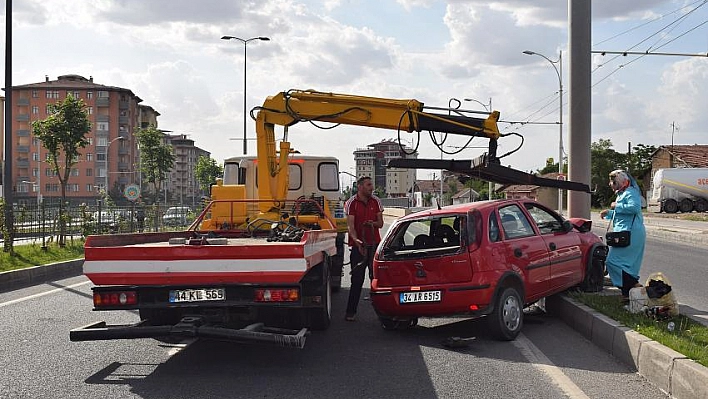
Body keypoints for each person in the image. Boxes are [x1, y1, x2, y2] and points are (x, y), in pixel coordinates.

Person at [600, 169, 646, 302]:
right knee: (624, 265)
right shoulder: (622, 193)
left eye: (613, 181)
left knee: (612, 262)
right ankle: (628, 294)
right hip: (624, 233)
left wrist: (616, 205)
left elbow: (635, 207)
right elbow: (622, 214)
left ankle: (633, 287)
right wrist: (609, 213)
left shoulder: (631, 192)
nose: (610, 184)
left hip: (630, 233)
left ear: (620, 181)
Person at [344, 176, 384, 321]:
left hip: (374, 246)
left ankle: (383, 313)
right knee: (357, 280)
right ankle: (350, 312)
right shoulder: (351, 203)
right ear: (360, 187)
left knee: (376, 280)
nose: (371, 188)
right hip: (358, 247)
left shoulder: (376, 201)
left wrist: (372, 223)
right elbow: (351, 226)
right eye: (368, 185)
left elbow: (380, 223)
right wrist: (356, 241)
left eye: (371, 185)